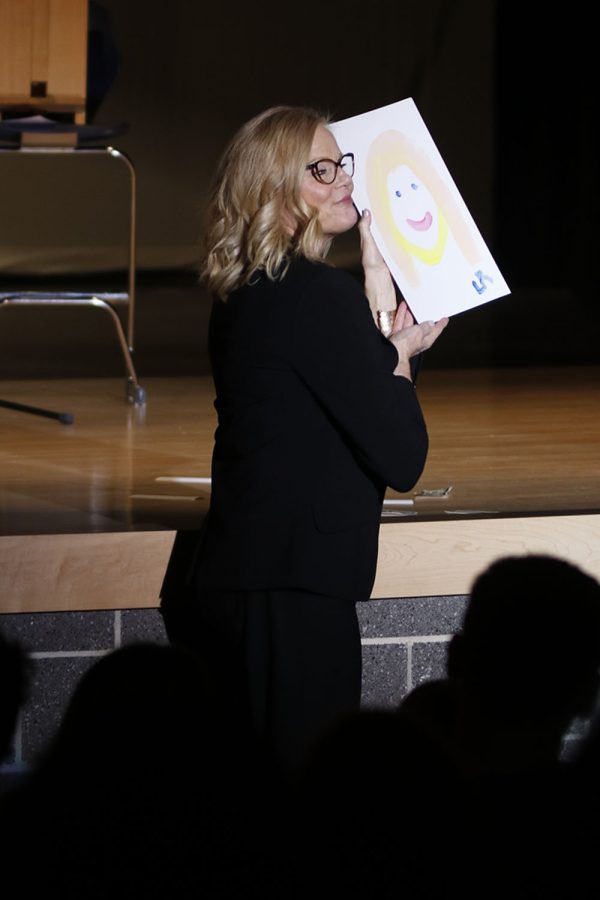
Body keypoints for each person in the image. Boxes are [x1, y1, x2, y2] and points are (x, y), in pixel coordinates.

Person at [161, 105, 447, 767]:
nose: (346, 180)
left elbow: (347, 391)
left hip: (246, 578)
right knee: (302, 803)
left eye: (341, 164)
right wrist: (401, 357)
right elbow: (401, 453)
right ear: (276, 186)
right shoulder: (316, 295)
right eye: (322, 170)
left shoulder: (249, 288)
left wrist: (381, 304)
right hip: (289, 593)